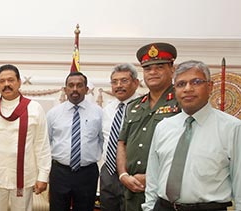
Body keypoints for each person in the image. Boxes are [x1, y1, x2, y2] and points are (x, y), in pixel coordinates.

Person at [143, 60, 240, 211]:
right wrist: (149, 208)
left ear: (209, 87)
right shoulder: (163, 127)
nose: (188, 89)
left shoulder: (231, 128)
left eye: (196, 82)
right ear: (175, 90)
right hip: (163, 207)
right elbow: (153, 175)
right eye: (181, 84)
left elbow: (239, 182)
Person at [0, 64, 51, 210]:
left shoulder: (34, 109)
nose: (6, 84)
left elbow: (42, 145)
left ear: (19, 82)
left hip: (24, 176)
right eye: (2, 81)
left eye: (11, 80)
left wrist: (43, 176)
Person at [116, 42, 180, 211]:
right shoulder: (134, 105)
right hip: (131, 189)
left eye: (159, 67)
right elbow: (122, 142)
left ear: (172, 69)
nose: (152, 72)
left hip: (166, 191)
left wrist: (152, 177)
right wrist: (123, 175)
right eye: (148, 68)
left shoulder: (181, 103)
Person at [47, 71, 103, 211]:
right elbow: (46, 142)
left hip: (87, 173)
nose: (75, 89)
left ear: (86, 89)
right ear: (65, 89)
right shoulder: (53, 114)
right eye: (71, 85)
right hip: (60, 172)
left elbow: (102, 141)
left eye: (79, 85)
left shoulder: (98, 113)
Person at [100, 64, 140, 211]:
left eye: (124, 81)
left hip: (133, 172)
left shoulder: (144, 107)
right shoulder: (107, 110)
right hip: (108, 172)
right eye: (114, 82)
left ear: (136, 83)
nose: (118, 85)